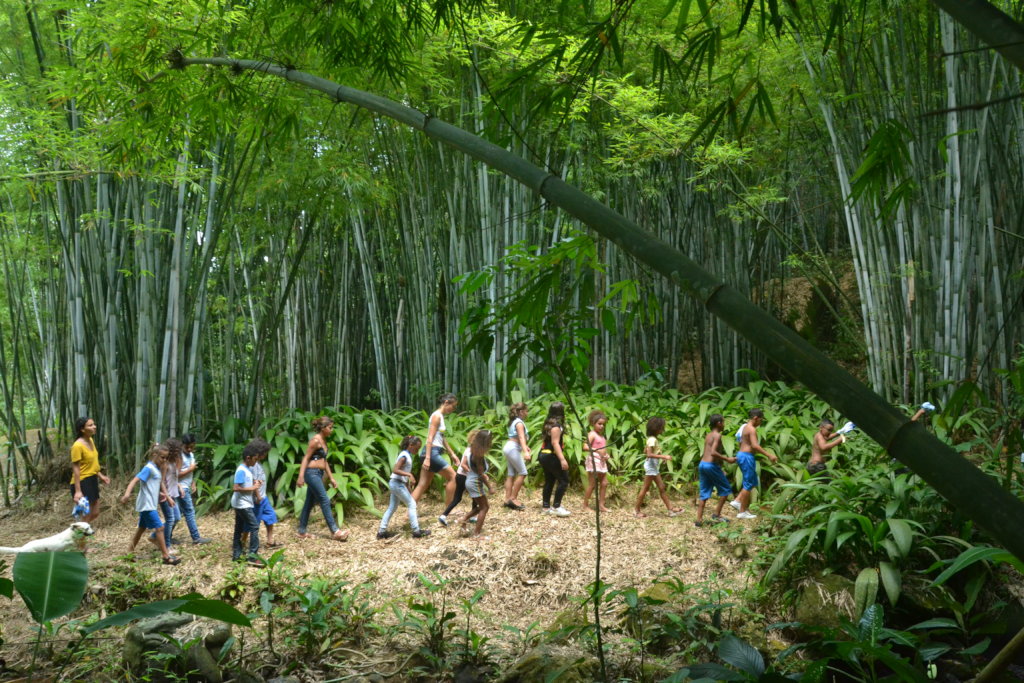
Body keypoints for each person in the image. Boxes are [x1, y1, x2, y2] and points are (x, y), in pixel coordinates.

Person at [120, 443, 180, 565]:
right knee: (160, 528)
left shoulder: (156, 469)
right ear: (154, 455)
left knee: (141, 529)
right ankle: (166, 556)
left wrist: (167, 496)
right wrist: (126, 494)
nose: (164, 460)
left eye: (166, 458)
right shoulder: (149, 468)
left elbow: (159, 484)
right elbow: (134, 480)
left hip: (150, 504)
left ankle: (129, 553)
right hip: (146, 504)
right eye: (162, 457)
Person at [297, 416, 349, 541]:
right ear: (323, 428)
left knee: (309, 503)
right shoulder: (315, 441)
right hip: (311, 473)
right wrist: (300, 476)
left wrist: (331, 478)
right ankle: (335, 531)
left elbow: (324, 461)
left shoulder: (324, 441)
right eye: (330, 428)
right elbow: (306, 458)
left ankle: (301, 531)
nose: (332, 430)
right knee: (325, 500)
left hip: (318, 474)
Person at [412, 393, 460, 509]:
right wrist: (428, 458)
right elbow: (430, 438)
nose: (453, 410)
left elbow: (442, 438)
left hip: (432, 452)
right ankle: (449, 510)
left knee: (422, 484)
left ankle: (408, 514)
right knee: (453, 477)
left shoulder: (440, 417)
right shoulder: (437, 416)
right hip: (432, 453)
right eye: (453, 407)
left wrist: (452, 454)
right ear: (446, 402)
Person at [378, 435, 432, 539]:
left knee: (392, 507)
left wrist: (408, 487)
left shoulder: (407, 455)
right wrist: (410, 475)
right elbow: (395, 470)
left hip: (397, 483)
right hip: (396, 484)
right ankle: (416, 531)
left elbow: (402, 474)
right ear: (411, 445)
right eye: (417, 447)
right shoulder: (404, 456)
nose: (418, 450)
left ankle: (381, 532)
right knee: (412, 504)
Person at [729, 408, 777, 520]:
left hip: (742, 455)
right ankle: (742, 512)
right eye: (761, 420)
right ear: (756, 418)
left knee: (753, 480)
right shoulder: (751, 429)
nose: (761, 423)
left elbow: (740, 441)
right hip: (746, 457)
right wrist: (769, 455)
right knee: (749, 483)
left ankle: (737, 501)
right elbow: (755, 445)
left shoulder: (744, 427)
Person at [633, 417, 683, 518]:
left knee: (661, 488)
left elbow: (645, 451)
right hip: (651, 466)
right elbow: (649, 454)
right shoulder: (652, 440)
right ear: (656, 428)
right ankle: (636, 510)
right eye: (661, 427)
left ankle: (670, 509)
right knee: (645, 488)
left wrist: (659, 456)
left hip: (653, 466)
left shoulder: (652, 439)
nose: (663, 429)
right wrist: (663, 456)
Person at [696, 414, 737, 526]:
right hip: (710, 465)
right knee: (726, 490)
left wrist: (719, 467)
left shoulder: (708, 435)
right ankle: (716, 514)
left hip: (703, 464)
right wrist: (727, 459)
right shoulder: (717, 436)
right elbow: (713, 452)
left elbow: (708, 452)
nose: (724, 425)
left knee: (704, 492)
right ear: (719, 423)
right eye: (723, 422)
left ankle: (698, 520)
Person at [70, 417, 110, 524]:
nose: (94, 427)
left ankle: (80, 529)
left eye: (94, 424)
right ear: (82, 429)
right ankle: (80, 535)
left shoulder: (90, 440)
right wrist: (78, 491)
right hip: (82, 481)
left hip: (91, 479)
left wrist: (101, 476)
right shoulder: (77, 446)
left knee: (95, 512)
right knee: (86, 515)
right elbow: (76, 469)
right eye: (90, 425)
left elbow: (91, 464)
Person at [232, 440, 264, 567]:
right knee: (254, 526)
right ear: (248, 458)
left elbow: (244, 483)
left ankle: (237, 555)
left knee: (238, 528)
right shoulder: (241, 470)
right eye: (255, 459)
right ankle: (252, 556)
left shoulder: (246, 469)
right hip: (242, 504)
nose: (256, 462)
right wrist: (251, 488)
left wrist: (255, 484)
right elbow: (236, 487)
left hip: (241, 503)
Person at [459, 429, 495, 538]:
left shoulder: (471, 449)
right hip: (475, 482)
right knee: (485, 507)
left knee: (480, 507)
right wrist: (490, 487)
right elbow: (480, 474)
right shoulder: (479, 456)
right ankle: (477, 534)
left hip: (470, 481)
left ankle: (463, 520)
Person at [176, 434, 211, 545]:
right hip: (180, 487)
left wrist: (193, 481)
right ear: (182, 445)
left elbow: (189, 471)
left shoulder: (190, 455)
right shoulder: (179, 456)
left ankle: (164, 535)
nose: (190, 449)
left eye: (192, 447)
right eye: (187, 447)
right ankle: (196, 538)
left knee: (177, 514)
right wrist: (190, 469)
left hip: (186, 486)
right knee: (189, 512)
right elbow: (175, 475)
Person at [538, 402, 571, 516]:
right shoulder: (556, 426)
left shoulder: (548, 423)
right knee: (564, 480)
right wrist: (562, 459)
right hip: (551, 455)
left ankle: (546, 507)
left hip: (543, 454)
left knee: (550, 480)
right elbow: (555, 443)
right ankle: (556, 507)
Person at [250, 438, 282, 549]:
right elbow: (254, 483)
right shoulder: (252, 466)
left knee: (270, 516)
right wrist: (258, 496)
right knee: (254, 523)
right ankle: (244, 543)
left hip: (263, 498)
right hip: (257, 499)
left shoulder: (258, 464)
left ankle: (270, 540)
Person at [439, 431, 474, 527]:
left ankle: (443, 515)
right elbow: (464, 464)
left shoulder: (468, 449)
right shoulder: (471, 451)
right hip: (464, 476)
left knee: (457, 498)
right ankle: (472, 516)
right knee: (475, 497)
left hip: (459, 475)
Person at [155, 439, 183, 551]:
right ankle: (166, 546)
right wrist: (166, 496)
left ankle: (155, 536)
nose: (177, 453)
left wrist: (179, 486)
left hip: (173, 494)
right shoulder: (165, 464)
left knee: (176, 518)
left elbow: (173, 478)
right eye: (175, 451)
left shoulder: (173, 462)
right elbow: (161, 481)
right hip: (166, 495)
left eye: (178, 451)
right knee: (170, 519)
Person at [502, 402, 531, 511]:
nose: (527, 413)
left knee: (511, 474)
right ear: (521, 412)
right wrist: (525, 452)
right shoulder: (519, 423)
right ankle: (513, 498)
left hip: (510, 447)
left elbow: (517, 438)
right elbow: (521, 437)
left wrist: (525, 447)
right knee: (523, 472)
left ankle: (507, 499)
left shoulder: (514, 422)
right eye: (526, 411)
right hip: (513, 448)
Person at [582, 410, 611, 512]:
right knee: (592, 483)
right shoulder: (592, 434)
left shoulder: (602, 436)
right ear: (593, 424)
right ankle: (585, 505)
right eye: (599, 424)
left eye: (603, 424)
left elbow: (603, 449)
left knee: (604, 483)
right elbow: (585, 446)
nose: (601, 426)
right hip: (594, 460)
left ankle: (601, 505)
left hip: (601, 461)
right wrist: (597, 451)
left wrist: (606, 455)